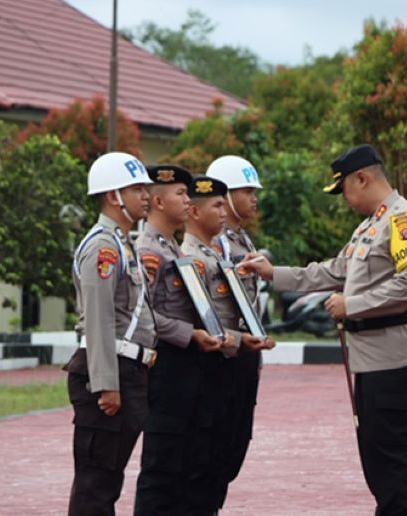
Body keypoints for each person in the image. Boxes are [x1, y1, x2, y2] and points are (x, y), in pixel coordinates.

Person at [240, 144, 407, 516]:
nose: (344, 200)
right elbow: (334, 271)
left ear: (362, 178)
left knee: (388, 453)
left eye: (344, 189)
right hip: (375, 357)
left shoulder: (402, 220)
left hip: (397, 357)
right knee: (375, 451)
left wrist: (353, 305)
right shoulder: (371, 225)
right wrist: (275, 273)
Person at [134, 165, 234, 516]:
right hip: (167, 364)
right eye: (180, 194)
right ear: (158, 201)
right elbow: (142, 312)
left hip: (189, 366)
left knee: (185, 461)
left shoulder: (174, 249)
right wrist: (188, 334)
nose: (188, 200)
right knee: (161, 465)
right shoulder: (148, 249)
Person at [65, 151, 156, 516]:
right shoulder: (104, 247)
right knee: (95, 484)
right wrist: (106, 384)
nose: (146, 196)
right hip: (108, 371)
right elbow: (99, 320)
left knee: (108, 480)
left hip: (128, 369)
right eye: (136, 189)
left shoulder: (122, 243)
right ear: (111, 195)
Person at [181, 175, 274, 511]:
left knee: (229, 450)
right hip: (216, 359)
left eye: (224, 203)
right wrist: (238, 340)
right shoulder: (193, 254)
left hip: (239, 354)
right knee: (204, 457)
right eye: (217, 204)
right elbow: (197, 317)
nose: (223, 212)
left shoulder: (232, 246)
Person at [205, 156, 269, 508]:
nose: (254, 197)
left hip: (246, 353)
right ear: (226, 195)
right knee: (218, 446)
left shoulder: (241, 239)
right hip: (226, 354)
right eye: (247, 190)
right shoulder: (215, 243)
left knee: (236, 442)